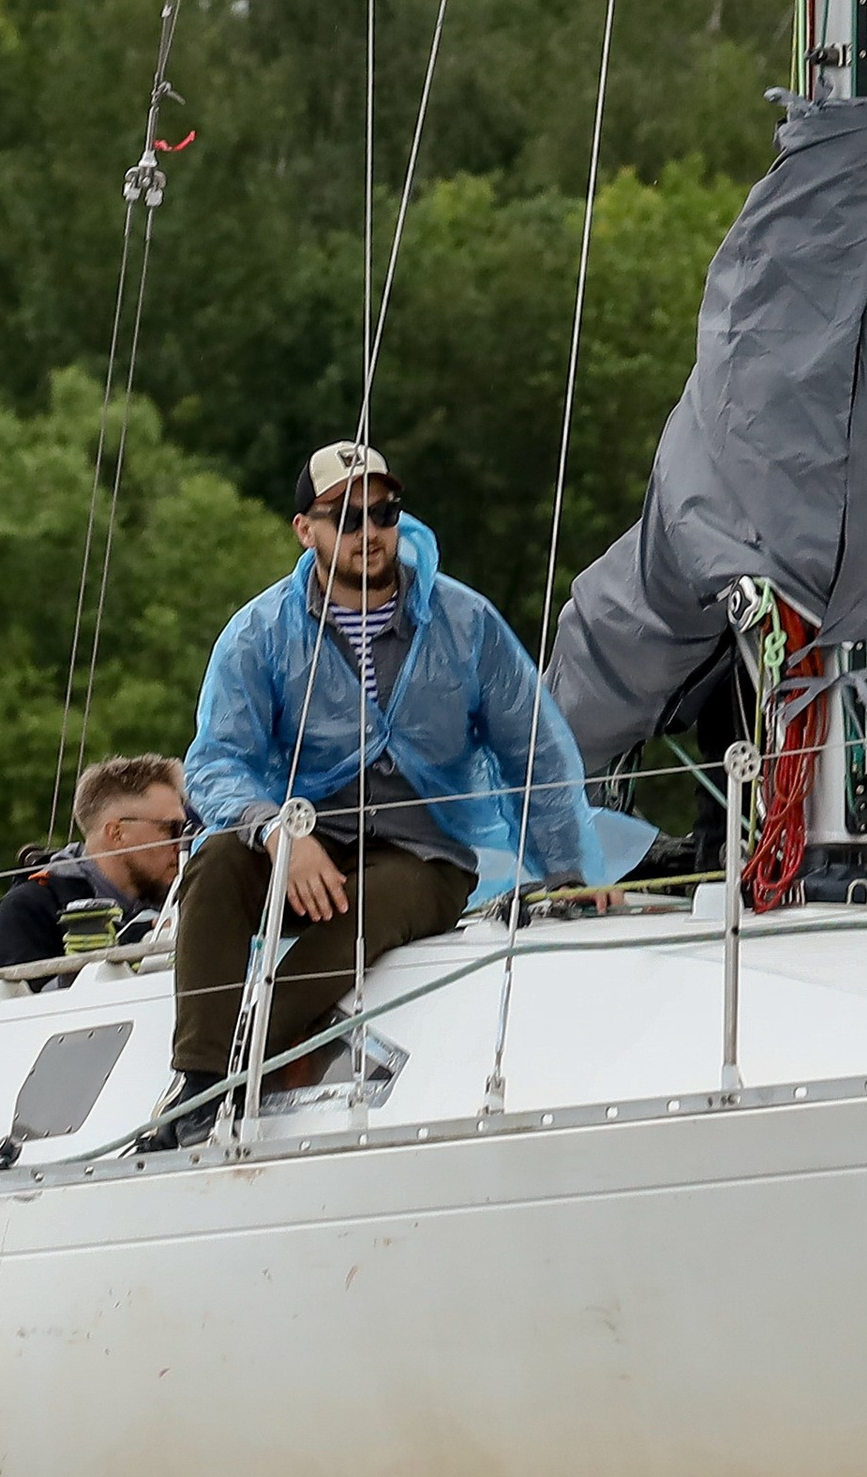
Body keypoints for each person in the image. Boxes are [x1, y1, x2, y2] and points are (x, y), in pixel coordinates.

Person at [159, 439, 641, 1139]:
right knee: (214, 862)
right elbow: (214, 764)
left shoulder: (465, 622)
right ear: (305, 530)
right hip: (302, 839)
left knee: (379, 904)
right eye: (345, 517)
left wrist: (570, 873)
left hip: (422, 856)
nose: (369, 531)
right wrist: (278, 832)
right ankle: (200, 1079)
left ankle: (237, 1068)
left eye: (384, 512)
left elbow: (530, 751)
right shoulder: (258, 633)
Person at [0, 755, 190, 976]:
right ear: (116, 833)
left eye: (187, 830)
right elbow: (12, 1006)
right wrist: (128, 951)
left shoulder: (180, 907)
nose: (182, 843)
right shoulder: (27, 911)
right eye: (172, 829)